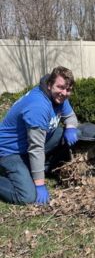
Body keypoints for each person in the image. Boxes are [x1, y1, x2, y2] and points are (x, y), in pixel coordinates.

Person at [0, 66, 79, 205]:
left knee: (68, 133)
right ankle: (31, 172)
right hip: (10, 151)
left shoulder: (59, 97)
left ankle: (37, 169)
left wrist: (71, 127)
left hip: (30, 144)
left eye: (68, 90)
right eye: (60, 87)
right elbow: (35, 148)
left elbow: (70, 116)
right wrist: (40, 185)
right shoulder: (38, 106)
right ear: (49, 85)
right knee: (27, 196)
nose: (64, 93)